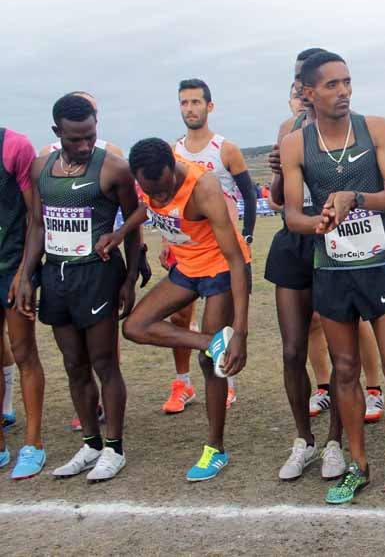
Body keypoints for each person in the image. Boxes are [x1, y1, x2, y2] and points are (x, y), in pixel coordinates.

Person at [282, 51, 385, 504]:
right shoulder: (295, 144)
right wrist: (320, 222)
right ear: (307, 93)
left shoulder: (375, 127)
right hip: (333, 269)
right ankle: (358, 463)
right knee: (344, 369)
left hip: (379, 266)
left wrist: (354, 198)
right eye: (331, 85)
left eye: (347, 82)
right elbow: (290, 216)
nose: (342, 92)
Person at [16, 94, 143, 482]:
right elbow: (38, 225)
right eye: (76, 139)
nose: (85, 145)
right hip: (57, 276)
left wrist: (129, 279)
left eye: (91, 136)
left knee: (104, 362)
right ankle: (90, 443)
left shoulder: (115, 169)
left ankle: (114, 448)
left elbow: (134, 225)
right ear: (58, 133)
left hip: (98, 275)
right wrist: (26, 274)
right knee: (74, 364)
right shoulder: (42, 167)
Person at [120, 138, 251, 482]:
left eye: (164, 190)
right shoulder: (149, 182)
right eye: (152, 191)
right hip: (187, 269)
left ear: (172, 169)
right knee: (134, 326)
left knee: (212, 366)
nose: (160, 198)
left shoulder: (202, 187)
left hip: (220, 269)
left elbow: (237, 260)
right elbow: (147, 209)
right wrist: (119, 233)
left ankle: (215, 450)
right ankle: (209, 341)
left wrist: (240, 332)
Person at [265, 51, 346, 481]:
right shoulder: (290, 128)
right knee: (293, 349)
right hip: (294, 243)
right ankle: (304, 441)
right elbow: (278, 199)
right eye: (296, 80)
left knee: (338, 350)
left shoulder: (351, 128)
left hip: (336, 244)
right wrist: (278, 169)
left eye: (305, 80)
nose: (299, 87)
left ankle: (335, 441)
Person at [165, 78, 257, 413]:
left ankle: (225, 381)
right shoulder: (174, 152)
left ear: (209, 106)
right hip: (185, 247)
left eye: (196, 102)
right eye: (184, 103)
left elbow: (248, 193)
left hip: (220, 250)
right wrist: (166, 239)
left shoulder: (224, 149)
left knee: (217, 323)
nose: (190, 109)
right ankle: (183, 383)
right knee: (179, 317)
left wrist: (245, 235)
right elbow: (169, 201)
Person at [0, 127, 46, 476]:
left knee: (24, 352)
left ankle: (33, 444)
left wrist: (24, 272)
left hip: (12, 268)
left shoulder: (14, 146)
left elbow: (35, 216)